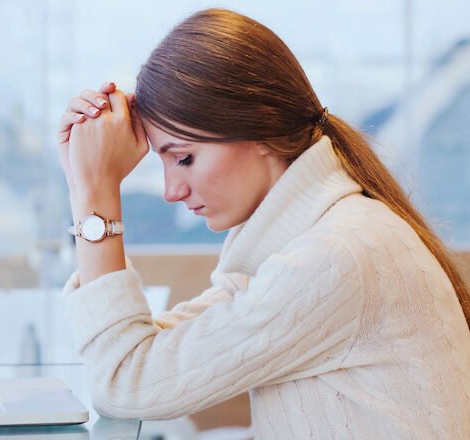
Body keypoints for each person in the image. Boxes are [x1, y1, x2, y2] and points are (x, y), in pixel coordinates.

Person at [56, 8, 470, 439]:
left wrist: (95, 195)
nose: (171, 191)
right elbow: (147, 359)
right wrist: (82, 182)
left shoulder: (335, 257)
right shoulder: (310, 238)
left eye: (184, 158)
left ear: (262, 132)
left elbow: (127, 382)